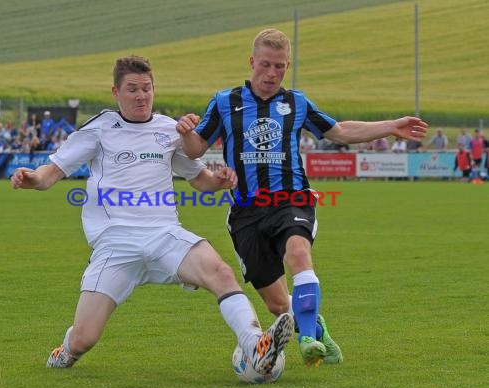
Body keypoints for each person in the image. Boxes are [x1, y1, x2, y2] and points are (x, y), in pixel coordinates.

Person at [11, 55, 293, 373]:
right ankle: (67, 349)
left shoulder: (169, 131)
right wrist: (32, 178)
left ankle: (255, 345)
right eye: (132, 89)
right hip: (115, 242)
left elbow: (201, 181)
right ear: (116, 92)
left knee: (221, 273)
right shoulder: (100, 128)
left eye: (147, 88)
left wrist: (220, 181)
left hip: (164, 234)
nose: (141, 96)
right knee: (84, 339)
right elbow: (50, 173)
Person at [176, 28, 428, 367]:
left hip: (291, 200)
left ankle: (308, 339)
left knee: (298, 253)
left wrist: (390, 126)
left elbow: (338, 131)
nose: (271, 73)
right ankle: (315, 326)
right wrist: (186, 132)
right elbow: (196, 148)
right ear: (252, 62)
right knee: (278, 306)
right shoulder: (226, 101)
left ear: (286, 66)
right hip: (246, 213)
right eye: (265, 64)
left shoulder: (296, 102)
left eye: (279, 66)